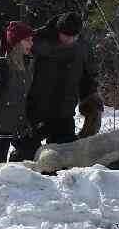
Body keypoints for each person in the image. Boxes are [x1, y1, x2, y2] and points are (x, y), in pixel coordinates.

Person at [25, 10, 102, 146]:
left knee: (65, 152)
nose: (69, 40)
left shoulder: (83, 47)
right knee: (27, 150)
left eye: (73, 37)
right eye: (65, 35)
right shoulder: (37, 40)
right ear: (58, 30)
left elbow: (88, 76)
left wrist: (91, 98)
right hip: (35, 109)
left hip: (64, 111)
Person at [37, 102, 119, 171]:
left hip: (67, 151)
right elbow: (116, 161)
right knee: (73, 153)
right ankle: (51, 157)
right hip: (85, 152)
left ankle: (51, 156)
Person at [0, 21, 40, 163]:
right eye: (27, 40)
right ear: (16, 42)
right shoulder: (2, 64)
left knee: (31, 154)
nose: (31, 43)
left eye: (31, 39)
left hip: (19, 125)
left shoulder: (28, 62)